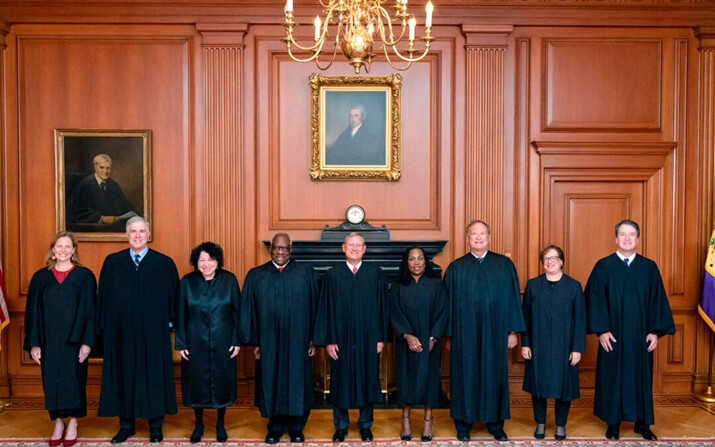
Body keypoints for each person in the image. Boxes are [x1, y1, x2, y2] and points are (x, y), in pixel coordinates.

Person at [585, 219, 675, 441]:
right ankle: (613, 423)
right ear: (616, 238)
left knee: (640, 377)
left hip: (640, 336)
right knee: (612, 377)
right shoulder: (603, 266)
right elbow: (594, 300)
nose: (627, 238)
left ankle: (642, 423)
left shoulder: (649, 267)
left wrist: (655, 331)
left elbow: (657, 301)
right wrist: (602, 330)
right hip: (612, 336)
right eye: (623, 234)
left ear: (637, 238)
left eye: (631, 234)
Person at [96, 216, 179, 444]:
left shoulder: (164, 263)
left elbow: (174, 299)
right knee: (123, 376)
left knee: (154, 375)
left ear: (149, 235)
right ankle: (126, 425)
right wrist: (104, 331)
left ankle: (156, 425)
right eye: (133, 231)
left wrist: (169, 325)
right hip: (120, 334)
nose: (137, 235)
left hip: (153, 334)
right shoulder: (113, 263)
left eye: (142, 231)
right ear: (126, 234)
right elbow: (102, 299)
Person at [443, 220, 525, 442]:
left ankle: (495, 424)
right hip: (464, 334)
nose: (478, 238)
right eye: (473, 234)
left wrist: (512, 331)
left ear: (489, 237)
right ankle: (463, 424)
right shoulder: (456, 267)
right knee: (464, 374)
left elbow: (512, 299)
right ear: (467, 238)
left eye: (482, 234)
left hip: (496, 331)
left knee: (494, 374)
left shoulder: (504, 265)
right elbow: (447, 304)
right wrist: (449, 335)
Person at [240, 233, 319, 444]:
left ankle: (296, 428)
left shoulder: (306, 273)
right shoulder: (257, 275)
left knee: (297, 381)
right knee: (271, 380)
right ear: (270, 249)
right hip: (268, 341)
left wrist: (313, 339)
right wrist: (255, 341)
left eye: (284, 248)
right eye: (276, 248)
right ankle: (274, 427)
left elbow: (316, 308)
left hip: (298, 341)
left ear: (291, 250)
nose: (280, 252)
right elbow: (249, 310)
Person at [313, 232, 389, 443]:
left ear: (364, 249)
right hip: (340, 339)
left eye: (359, 245)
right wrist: (329, 339)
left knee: (367, 379)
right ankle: (341, 425)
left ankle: (365, 425)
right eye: (351, 245)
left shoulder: (375, 274)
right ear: (343, 248)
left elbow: (384, 308)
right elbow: (325, 310)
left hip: (368, 338)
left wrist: (381, 337)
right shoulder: (333, 275)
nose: (355, 248)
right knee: (340, 382)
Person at [24, 231, 96, 447]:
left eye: (67, 246)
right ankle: (58, 422)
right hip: (49, 341)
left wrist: (87, 342)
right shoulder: (40, 278)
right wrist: (35, 343)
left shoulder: (85, 276)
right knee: (51, 381)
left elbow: (90, 311)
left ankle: (73, 421)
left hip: (75, 341)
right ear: (52, 250)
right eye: (59, 246)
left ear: (74, 250)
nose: (63, 250)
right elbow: (33, 312)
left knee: (75, 381)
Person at [175, 242, 240, 443]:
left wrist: (237, 340)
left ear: (217, 261)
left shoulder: (229, 281)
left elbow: (238, 313)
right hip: (195, 344)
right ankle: (199, 424)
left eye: (210, 260)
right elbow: (180, 315)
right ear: (196, 262)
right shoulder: (187, 282)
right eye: (201, 260)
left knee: (222, 382)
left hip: (224, 343)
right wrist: (182, 343)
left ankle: (221, 423)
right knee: (196, 384)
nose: (206, 264)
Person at [521, 245, 586, 441]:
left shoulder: (574, 286)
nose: (549, 262)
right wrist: (525, 343)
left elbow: (581, 320)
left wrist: (577, 349)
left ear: (562, 261)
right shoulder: (533, 285)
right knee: (538, 386)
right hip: (538, 345)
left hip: (564, 346)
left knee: (564, 388)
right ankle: (540, 422)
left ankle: (560, 425)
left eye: (554, 258)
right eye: (546, 259)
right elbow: (526, 318)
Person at [389, 246, 448, 442]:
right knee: (406, 379)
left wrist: (433, 338)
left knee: (429, 380)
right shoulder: (398, 285)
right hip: (406, 341)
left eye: (420, 259)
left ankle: (428, 420)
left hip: (430, 341)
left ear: (426, 261)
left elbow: (442, 312)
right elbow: (394, 312)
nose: (416, 262)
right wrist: (407, 335)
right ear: (406, 262)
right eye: (412, 259)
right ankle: (405, 419)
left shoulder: (436, 284)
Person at [66, 153, 139, 226]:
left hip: (111, 227)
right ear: (95, 167)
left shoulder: (113, 185)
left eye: (108, 168)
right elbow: (74, 209)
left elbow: (125, 206)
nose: (105, 171)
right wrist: (101, 218)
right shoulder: (85, 184)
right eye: (102, 167)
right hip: (90, 228)